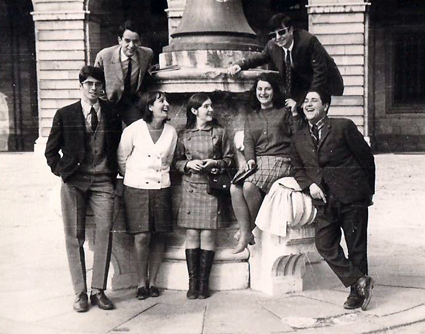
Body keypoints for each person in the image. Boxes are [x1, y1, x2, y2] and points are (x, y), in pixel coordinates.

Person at [45, 66, 122, 312]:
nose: (93, 88)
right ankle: (80, 293)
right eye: (89, 83)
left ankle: (98, 290)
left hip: (103, 180)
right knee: (74, 236)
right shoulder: (65, 114)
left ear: (102, 87)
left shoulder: (111, 112)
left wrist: (114, 174)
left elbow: (117, 145)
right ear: (81, 86)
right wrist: (63, 172)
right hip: (74, 181)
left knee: (104, 231)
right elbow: (50, 151)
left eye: (98, 84)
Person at [290, 89, 375, 311]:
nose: (308, 104)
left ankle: (356, 295)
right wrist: (310, 185)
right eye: (305, 101)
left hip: (352, 195)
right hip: (324, 200)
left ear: (325, 106)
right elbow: (297, 168)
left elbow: (366, 158)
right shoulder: (298, 137)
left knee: (356, 247)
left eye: (314, 100)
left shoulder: (343, 126)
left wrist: (367, 192)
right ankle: (359, 280)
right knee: (324, 244)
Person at [230, 72, 303, 254]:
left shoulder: (284, 111)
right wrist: (250, 159)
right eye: (260, 89)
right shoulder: (251, 116)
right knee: (234, 188)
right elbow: (248, 142)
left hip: (282, 160)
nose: (263, 92)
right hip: (259, 162)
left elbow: (299, 135)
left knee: (248, 187)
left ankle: (246, 231)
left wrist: (294, 112)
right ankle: (247, 231)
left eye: (267, 89)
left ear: (274, 91)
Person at [117, 91, 177, 300]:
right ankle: (141, 283)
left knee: (159, 234)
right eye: (161, 101)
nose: (166, 104)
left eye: (166, 101)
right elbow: (122, 158)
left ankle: (153, 283)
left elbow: (169, 159)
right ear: (150, 106)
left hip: (162, 187)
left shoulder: (171, 132)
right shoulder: (134, 130)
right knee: (142, 236)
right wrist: (134, 177)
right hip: (136, 188)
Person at [174, 93, 234, 299]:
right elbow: (176, 162)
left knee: (208, 234)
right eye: (205, 107)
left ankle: (203, 284)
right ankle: (192, 283)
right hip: (191, 186)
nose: (210, 110)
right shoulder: (183, 134)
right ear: (194, 111)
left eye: (211, 106)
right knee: (192, 234)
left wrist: (215, 163)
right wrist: (188, 164)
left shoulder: (219, 132)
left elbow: (229, 159)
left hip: (211, 188)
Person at [227, 13, 343, 111]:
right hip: (300, 88)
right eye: (273, 35)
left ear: (291, 30)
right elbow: (259, 58)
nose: (278, 37)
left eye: (281, 32)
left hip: (321, 85)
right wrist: (240, 65)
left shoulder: (308, 42)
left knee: (313, 117)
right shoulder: (272, 46)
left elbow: (320, 73)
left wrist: (308, 101)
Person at [94, 20, 154, 126]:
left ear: (140, 41)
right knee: (110, 135)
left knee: (138, 129)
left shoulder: (147, 54)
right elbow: (95, 79)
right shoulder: (104, 56)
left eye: (136, 41)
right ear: (119, 40)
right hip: (110, 103)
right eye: (127, 40)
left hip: (132, 103)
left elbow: (149, 73)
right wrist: (104, 100)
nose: (131, 45)